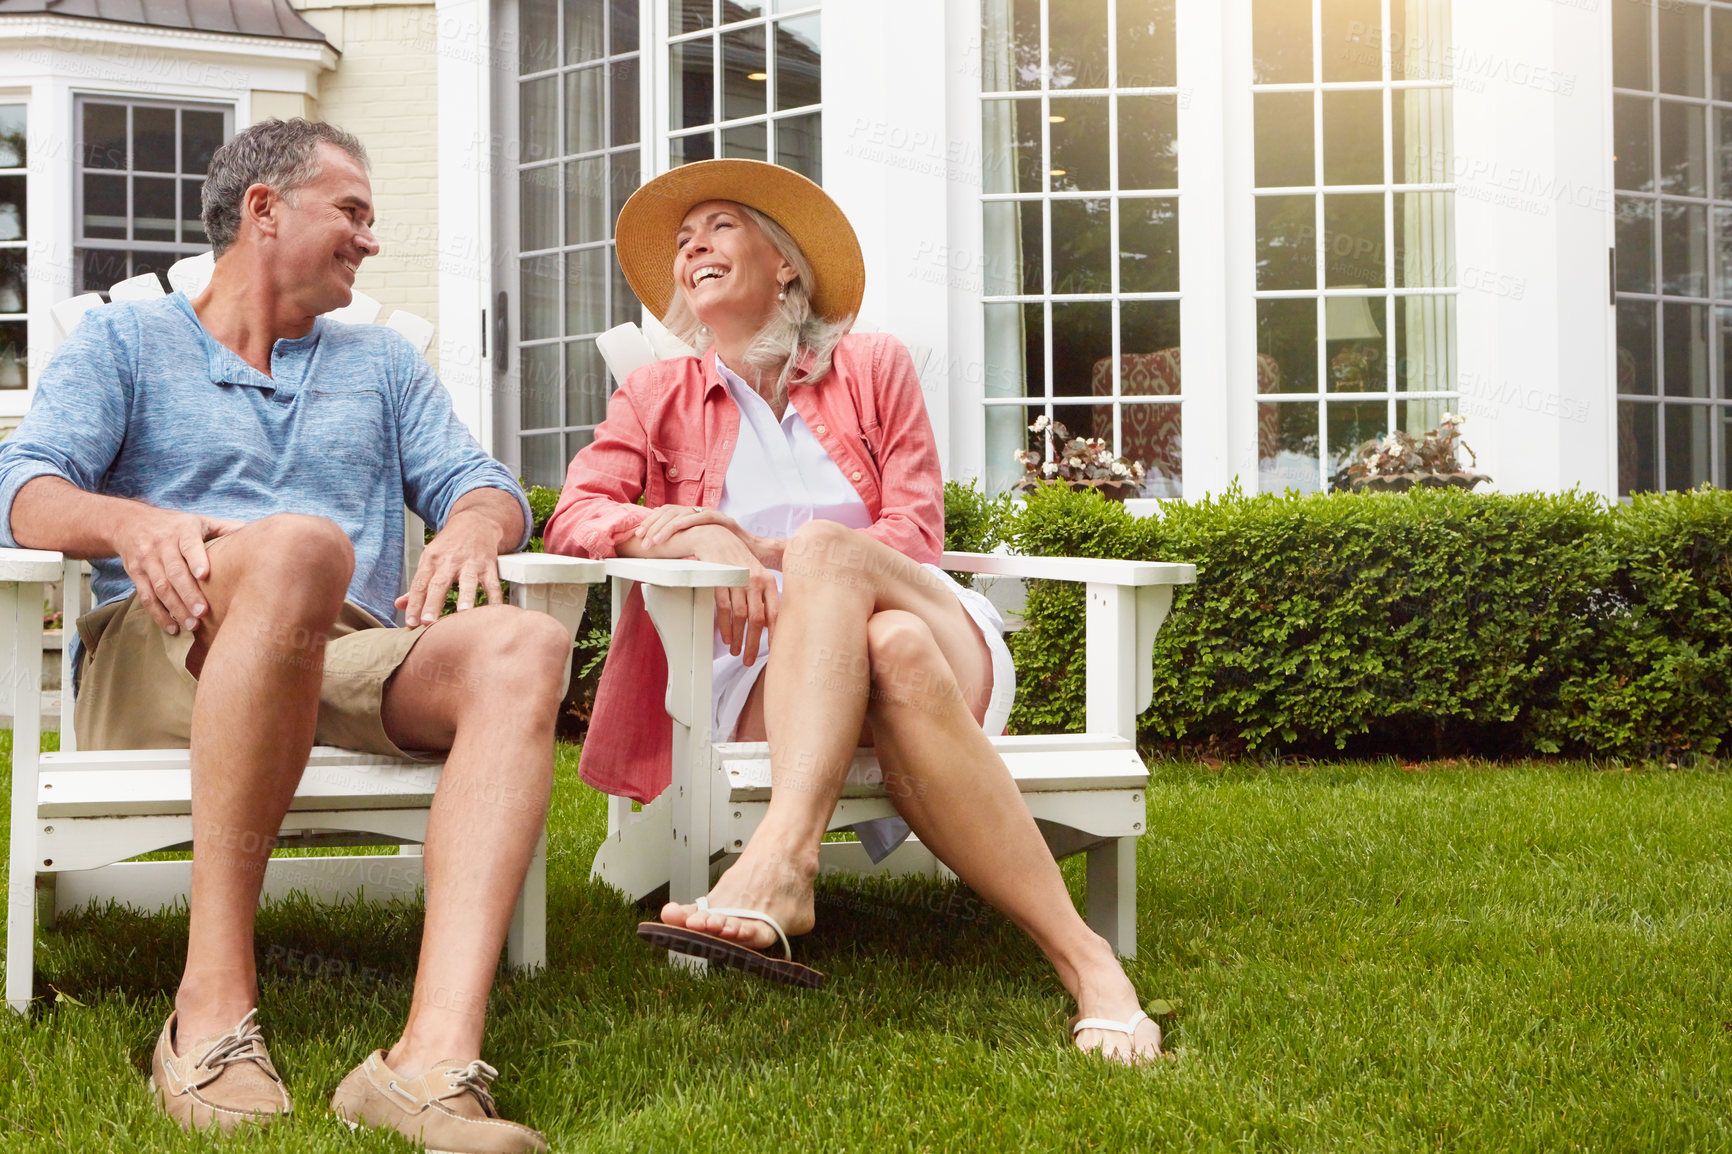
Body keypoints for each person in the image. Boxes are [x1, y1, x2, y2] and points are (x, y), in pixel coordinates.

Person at [0, 119, 562, 1151]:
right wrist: (132, 520)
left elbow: (476, 483)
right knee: (300, 545)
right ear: (264, 209)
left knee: (519, 645)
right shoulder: (126, 343)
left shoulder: (383, 363)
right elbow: (21, 489)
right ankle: (207, 1008)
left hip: (334, 646)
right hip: (162, 643)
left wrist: (474, 528)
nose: (369, 239)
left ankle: (426, 1067)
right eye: (351, 211)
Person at [543, 159, 1165, 1063]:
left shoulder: (871, 367)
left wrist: (767, 551)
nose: (692, 248)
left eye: (718, 226)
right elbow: (576, 514)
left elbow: (911, 533)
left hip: (937, 627)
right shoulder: (655, 396)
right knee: (893, 649)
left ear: (786, 264)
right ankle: (1091, 966)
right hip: (770, 676)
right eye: (682, 241)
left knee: (847, 564)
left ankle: (783, 857)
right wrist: (689, 532)